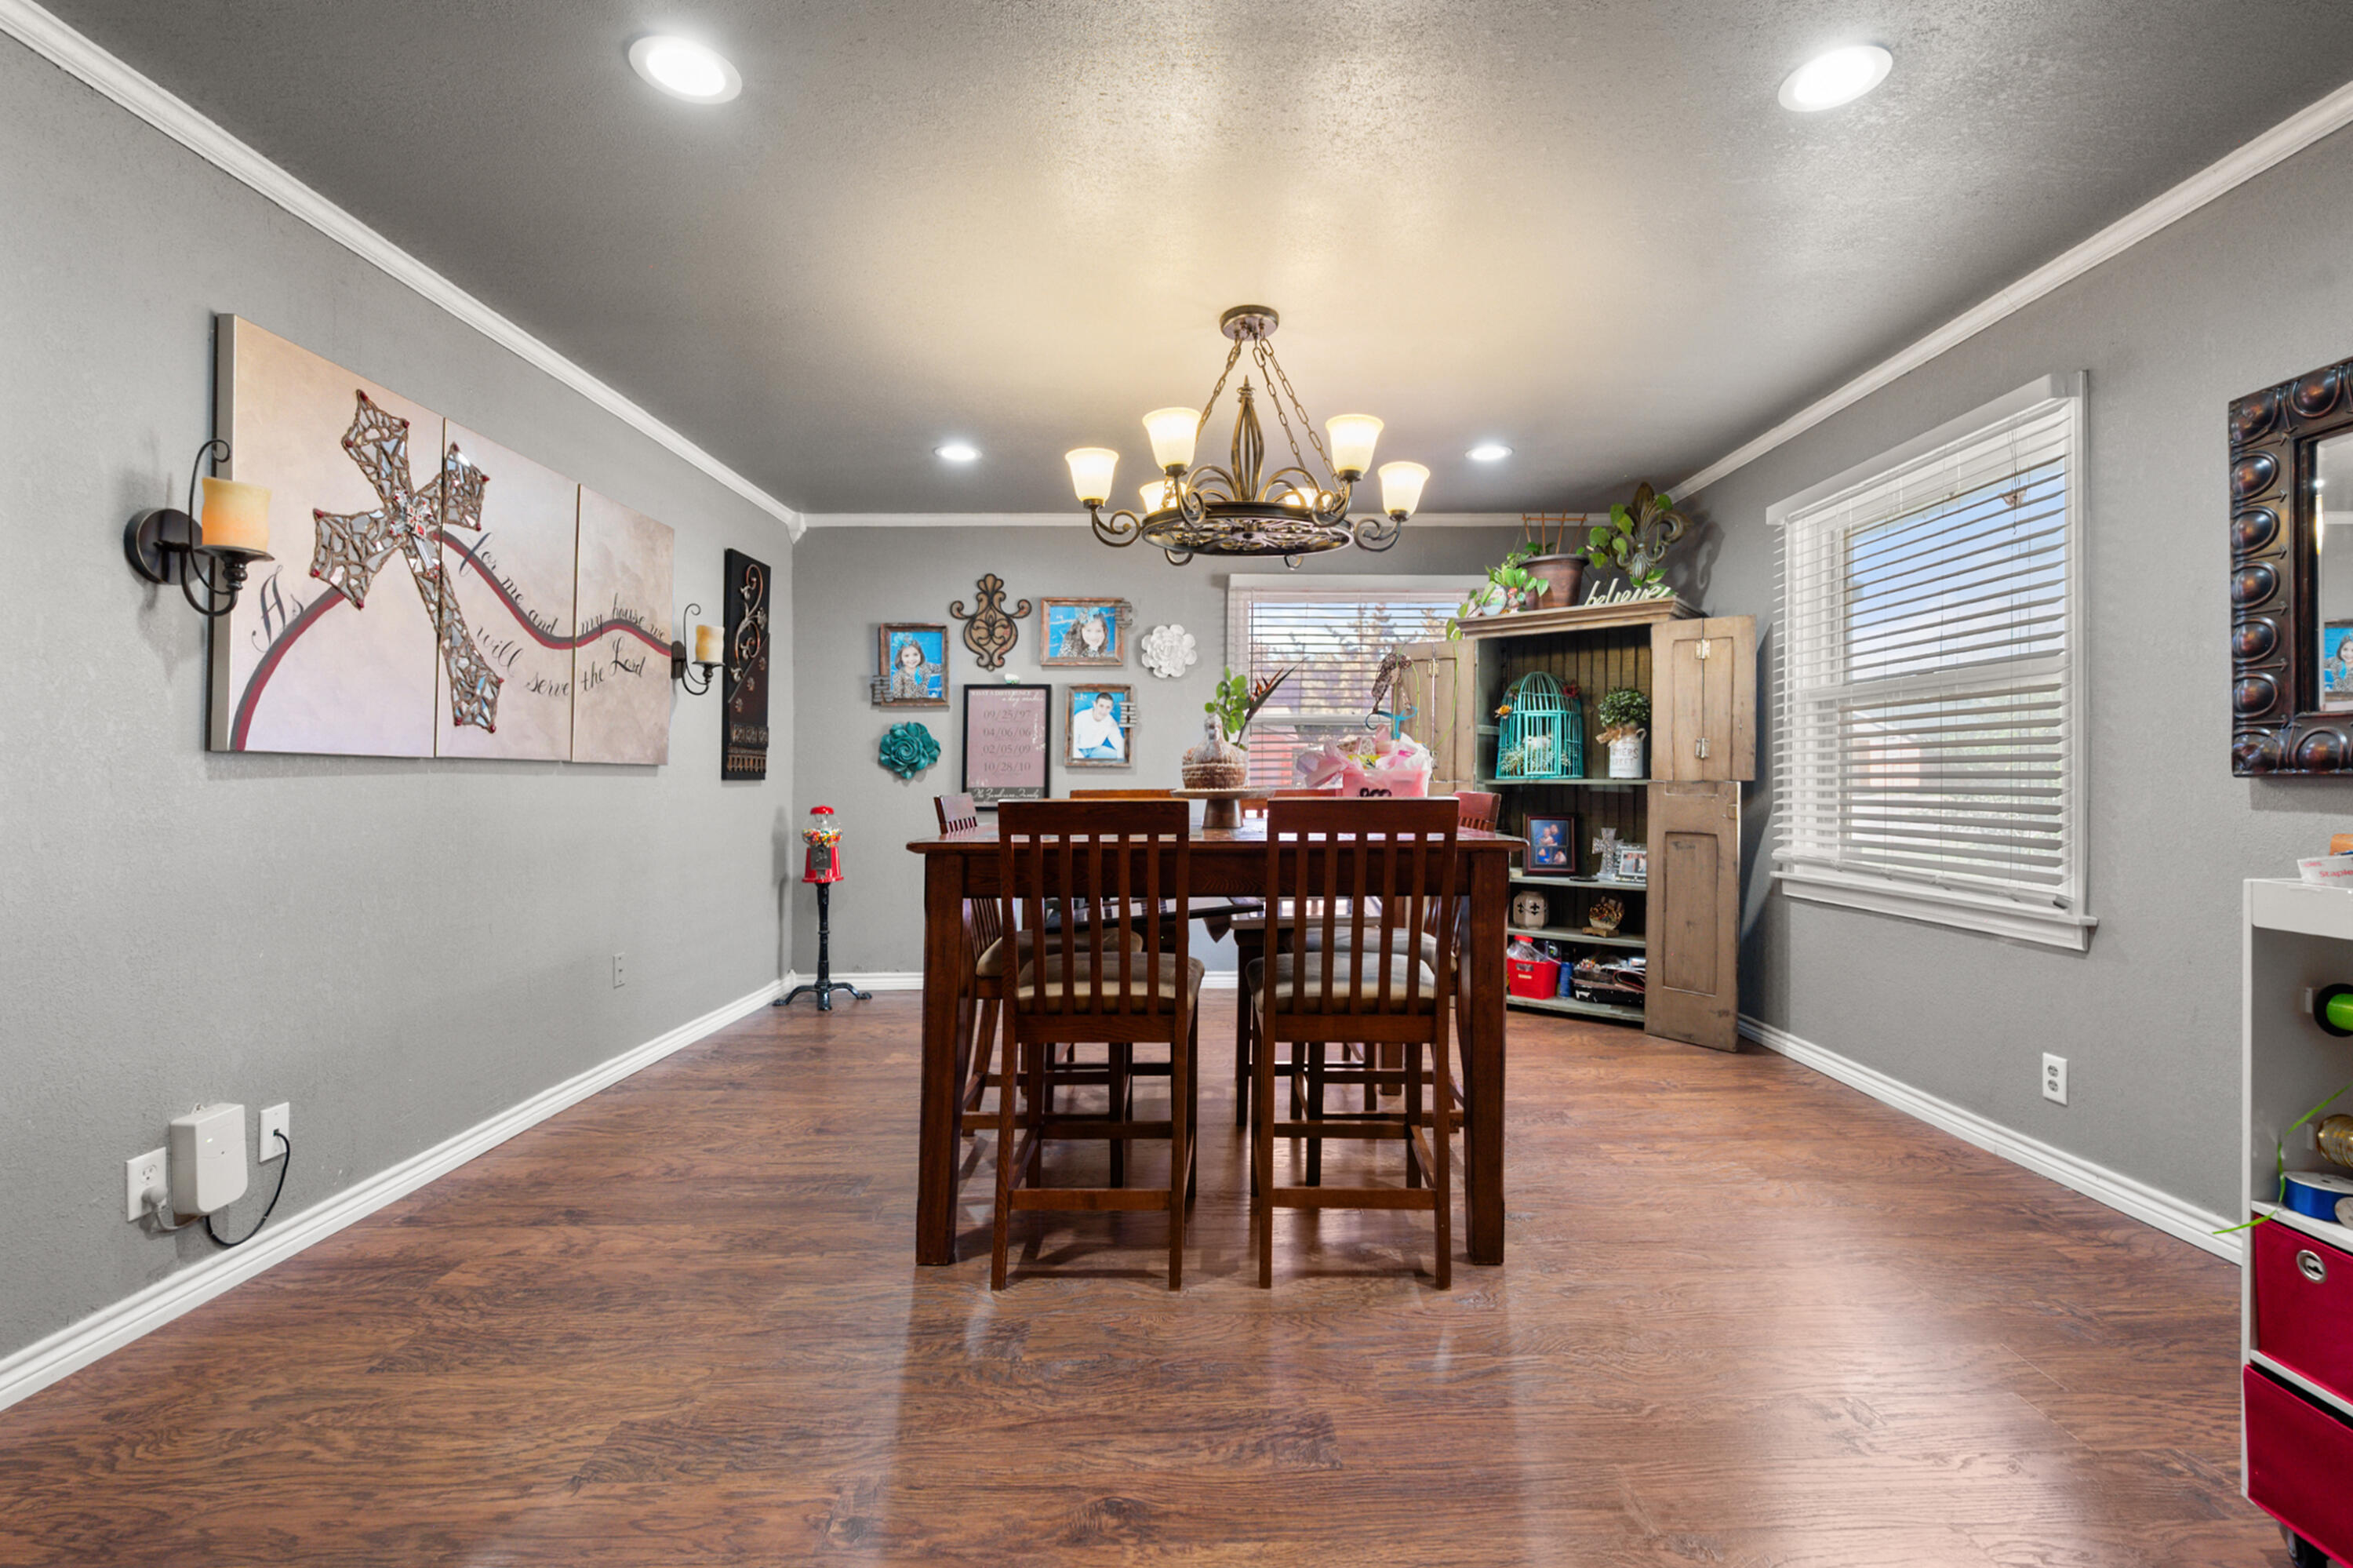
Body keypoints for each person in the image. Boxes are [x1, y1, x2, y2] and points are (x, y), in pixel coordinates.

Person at [1071, 690, 1125, 759]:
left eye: (1108, 707)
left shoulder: (1110, 721)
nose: (1103, 711)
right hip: (1078, 750)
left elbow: (1120, 744)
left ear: (1111, 709)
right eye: (1101, 706)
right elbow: (1071, 745)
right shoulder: (1080, 717)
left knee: (1116, 755)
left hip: (1096, 750)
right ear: (1095, 704)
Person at [887, 635, 935, 701]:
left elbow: (943, 668)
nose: (912, 659)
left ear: (920, 654)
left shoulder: (926, 667)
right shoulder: (899, 675)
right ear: (901, 658)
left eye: (915, 654)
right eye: (907, 656)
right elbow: (897, 697)